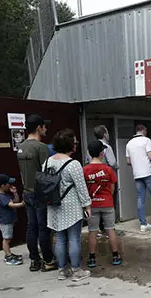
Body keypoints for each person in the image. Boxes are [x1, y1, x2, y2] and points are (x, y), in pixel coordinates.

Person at [45, 129, 93, 281]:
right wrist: (87, 205)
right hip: (71, 206)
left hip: (53, 205)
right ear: (70, 144)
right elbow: (81, 187)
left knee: (59, 239)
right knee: (73, 238)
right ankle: (76, 270)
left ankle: (62, 270)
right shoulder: (73, 164)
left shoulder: (47, 162)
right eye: (75, 142)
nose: (76, 144)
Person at [16, 114, 57, 272]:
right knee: (43, 228)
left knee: (31, 227)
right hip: (40, 193)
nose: (46, 129)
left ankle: (34, 260)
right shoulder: (41, 147)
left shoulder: (21, 147)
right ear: (39, 127)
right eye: (44, 126)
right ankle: (48, 260)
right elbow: (47, 173)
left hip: (27, 191)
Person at [83, 141, 122, 268]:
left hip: (92, 205)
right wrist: (106, 197)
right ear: (101, 153)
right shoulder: (108, 169)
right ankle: (115, 256)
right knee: (110, 229)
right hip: (107, 203)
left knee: (92, 231)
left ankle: (92, 258)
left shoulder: (85, 170)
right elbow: (112, 189)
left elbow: (83, 189)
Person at [0, 174, 25, 266]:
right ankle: (8, 256)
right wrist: (23, 204)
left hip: (9, 221)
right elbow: (11, 205)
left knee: (8, 238)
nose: (10, 185)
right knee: (6, 239)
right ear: (2, 185)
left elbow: (15, 201)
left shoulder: (5, 194)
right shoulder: (1, 196)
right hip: (5, 222)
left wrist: (15, 192)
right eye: (8, 184)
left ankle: (9, 254)